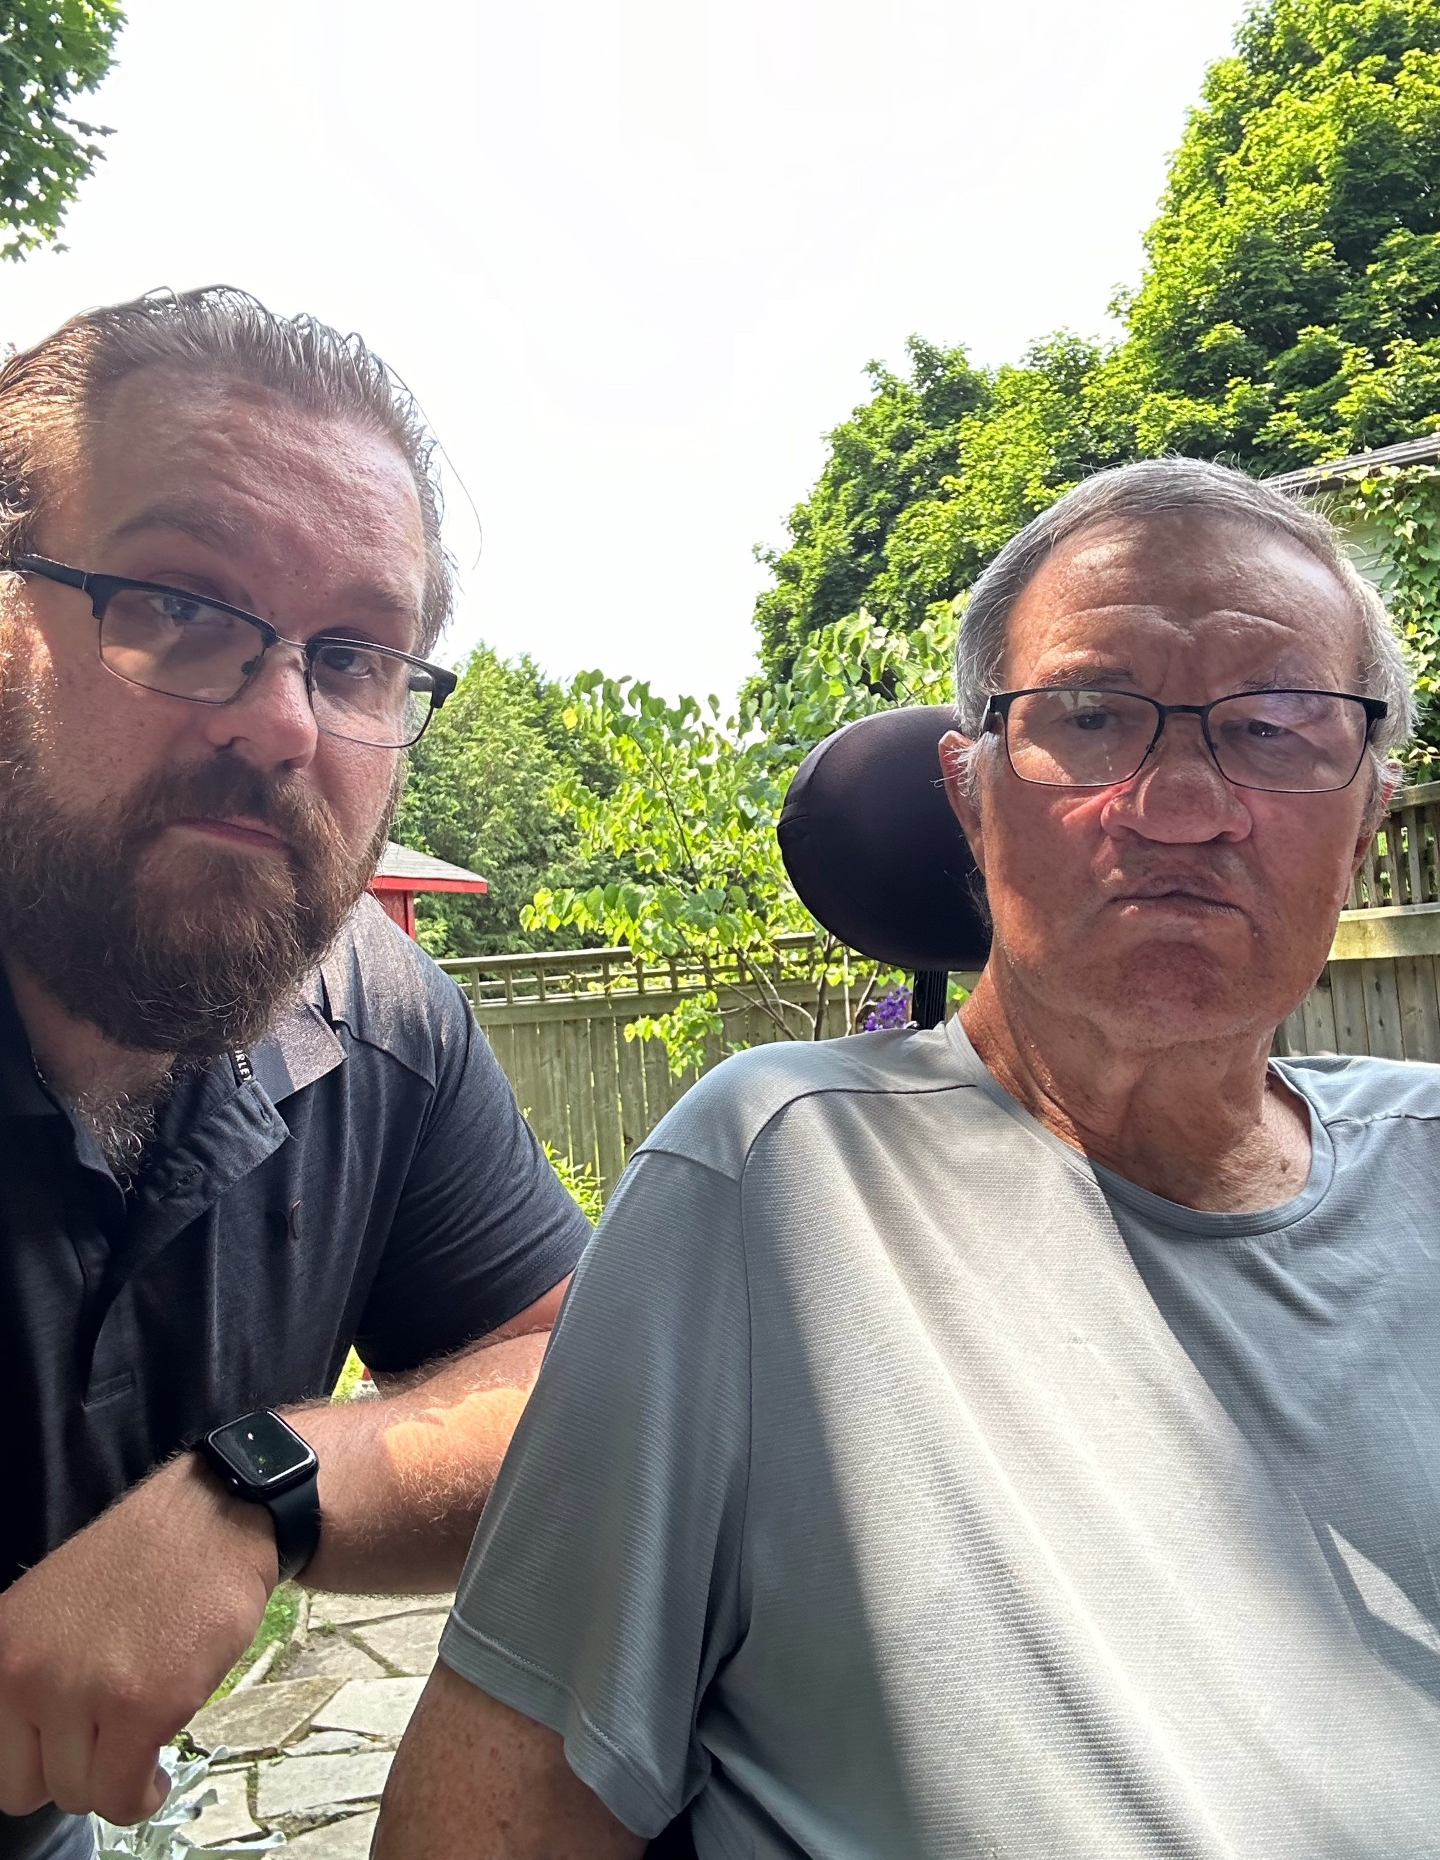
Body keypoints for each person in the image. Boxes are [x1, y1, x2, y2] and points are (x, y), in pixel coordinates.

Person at [376, 458, 1440, 1859]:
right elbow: (493, 1819)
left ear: (1369, 813)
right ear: (971, 796)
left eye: (1277, 725)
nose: (1181, 804)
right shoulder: (776, 1183)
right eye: (1091, 717)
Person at [0, 288, 591, 1860]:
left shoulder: (374, 1022)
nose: (281, 720)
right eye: (177, 605)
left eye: (353, 655)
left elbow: (578, 1378)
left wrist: (258, 1486)